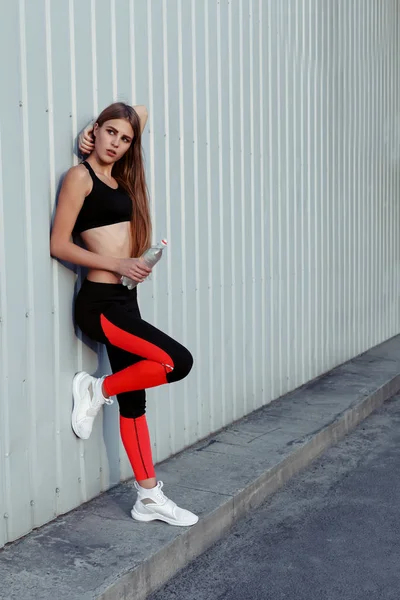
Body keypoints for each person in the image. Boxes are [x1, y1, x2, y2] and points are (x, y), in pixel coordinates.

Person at [50, 102, 198, 527]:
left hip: (125, 301)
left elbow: (142, 112)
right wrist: (117, 264)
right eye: (109, 132)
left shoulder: (120, 180)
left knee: (136, 402)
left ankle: (148, 497)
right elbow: (59, 244)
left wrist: (99, 129)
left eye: (126, 138)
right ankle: (98, 390)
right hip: (100, 303)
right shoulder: (80, 177)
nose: (116, 142)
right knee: (176, 362)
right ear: (96, 130)